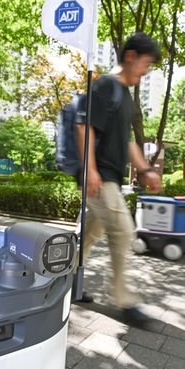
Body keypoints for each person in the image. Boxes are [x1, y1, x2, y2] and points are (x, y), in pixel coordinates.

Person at [75, 32, 162, 325]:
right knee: (124, 231)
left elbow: (127, 143)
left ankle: (67, 281)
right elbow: (84, 126)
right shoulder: (106, 85)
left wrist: (145, 170)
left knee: (90, 233)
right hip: (99, 176)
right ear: (130, 56)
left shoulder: (124, 96)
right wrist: (90, 170)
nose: (146, 71)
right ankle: (123, 299)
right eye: (146, 63)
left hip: (108, 176)